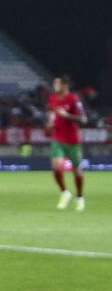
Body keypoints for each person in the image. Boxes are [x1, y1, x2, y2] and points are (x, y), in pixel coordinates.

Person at [48, 75, 87, 211]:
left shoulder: (74, 99)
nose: (54, 86)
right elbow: (53, 113)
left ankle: (80, 197)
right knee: (56, 166)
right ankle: (65, 193)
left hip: (73, 140)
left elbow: (83, 119)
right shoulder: (53, 99)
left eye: (57, 84)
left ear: (65, 85)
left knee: (77, 170)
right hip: (58, 138)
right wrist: (50, 122)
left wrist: (67, 115)